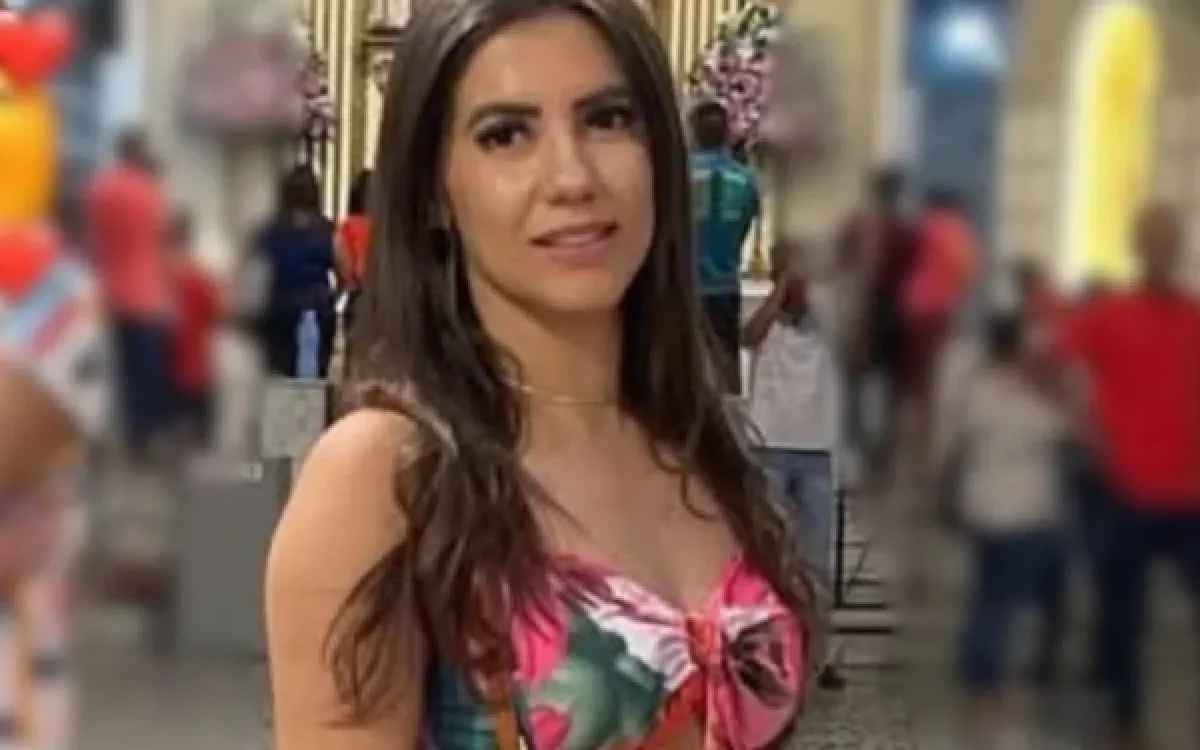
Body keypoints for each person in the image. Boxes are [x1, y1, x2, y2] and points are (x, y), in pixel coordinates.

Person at [265, 1, 817, 748]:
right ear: (433, 191)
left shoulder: (700, 442)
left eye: (608, 120)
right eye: (506, 134)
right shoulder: (385, 476)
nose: (572, 177)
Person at [1057, 202, 1200, 750]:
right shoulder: (1110, 312)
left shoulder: (1192, 316)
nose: (1165, 250)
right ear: (1140, 248)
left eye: (1172, 240)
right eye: (1155, 240)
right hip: (1128, 488)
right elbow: (1058, 364)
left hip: (1189, 490)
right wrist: (1089, 428)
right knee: (1123, 619)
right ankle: (1125, 724)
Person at [947, 313, 1070, 738]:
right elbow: (1059, 430)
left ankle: (981, 677)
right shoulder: (1021, 396)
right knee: (1003, 603)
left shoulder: (977, 389)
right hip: (1020, 512)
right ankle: (987, 681)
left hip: (987, 508)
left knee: (990, 597)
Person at [744, 238, 845, 691]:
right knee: (769, 560)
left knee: (816, 565)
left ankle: (819, 657)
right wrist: (781, 288)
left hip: (815, 452)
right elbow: (748, 337)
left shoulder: (828, 318)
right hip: (770, 448)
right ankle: (771, 655)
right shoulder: (767, 319)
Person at [83, 127, 170, 460]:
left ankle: (102, 436)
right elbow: (159, 243)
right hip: (144, 296)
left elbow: (91, 238)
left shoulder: (100, 190)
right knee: (142, 374)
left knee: (105, 374)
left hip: (105, 293)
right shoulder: (150, 193)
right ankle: (141, 438)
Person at [689, 100, 760, 394]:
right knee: (726, 364)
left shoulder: (677, 175)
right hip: (725, 283)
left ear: (693, 132)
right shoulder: (745, 179)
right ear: (727, 133)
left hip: (683, 284)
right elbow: (745, 224)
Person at [254, 167, 337, 378]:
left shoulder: (270, 231)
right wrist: (332, 297)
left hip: (278, 309)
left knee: (278, 372)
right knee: (314, 375)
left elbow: (258, 271)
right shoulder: (326, 230)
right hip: (316, 310)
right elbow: (343, 268)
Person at [167, 210, 221, 448]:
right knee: (199, 436)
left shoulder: (162, 276)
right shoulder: (200, 277)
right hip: (198, 367)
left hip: (168, 370)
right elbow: (216, 311)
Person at [336, 170, 373, 359]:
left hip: (358, 297)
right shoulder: (384, 227)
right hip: (383, 299)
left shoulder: (348, 226)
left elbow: (344, 266)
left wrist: (345, 285)